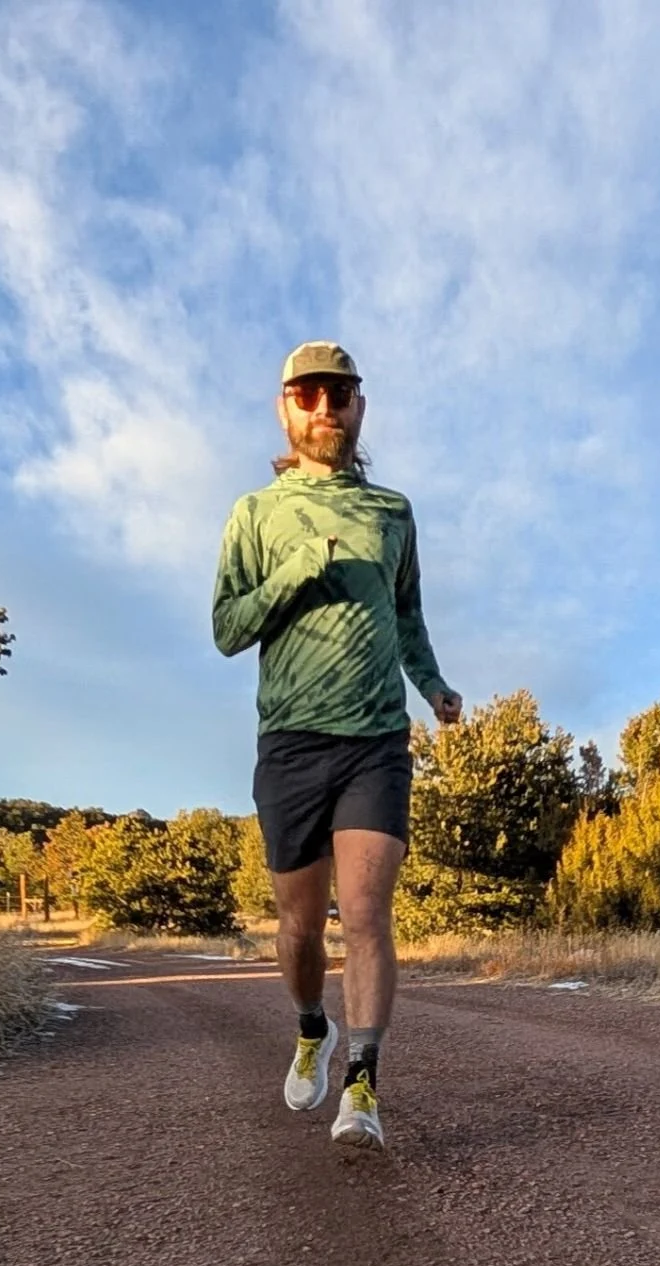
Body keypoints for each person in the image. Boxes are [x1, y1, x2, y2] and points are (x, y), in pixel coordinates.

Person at [210, 341, 460, 1151]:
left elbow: (409, 616)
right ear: (286, 407)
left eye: (340, 394)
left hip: (376, 740)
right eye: (309, 395)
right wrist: (295, 574)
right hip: (290, 741)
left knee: (366, 915)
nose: (326, 409)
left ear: (360, 405)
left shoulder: (393, 512)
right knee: (297, 927)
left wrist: (434, 687)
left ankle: (363, 1087)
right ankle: (311, 1026)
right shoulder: (255, 514)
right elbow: (225, 630)